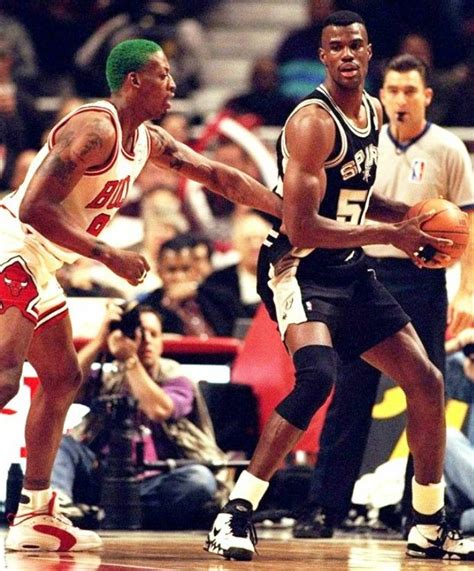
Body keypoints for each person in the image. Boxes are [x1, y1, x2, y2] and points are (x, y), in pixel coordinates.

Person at [205, 11, 474, 562]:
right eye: (337, 47)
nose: (348, 55)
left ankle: (428, 524)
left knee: (426, 381)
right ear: (323, 56)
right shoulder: (312, 122)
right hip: (298, 266)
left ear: (369, 52)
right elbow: (302, 226)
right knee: (318, 378)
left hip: (348, 267)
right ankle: (235, 513)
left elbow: (355, 197)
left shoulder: (371, 111)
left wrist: (411, 218)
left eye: (356, 45)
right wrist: (394, 235)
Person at [0, 38, 281, 552]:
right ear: (134, 81)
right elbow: (34, 208)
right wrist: (109, 255)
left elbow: (217, 176)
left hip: (42, 261)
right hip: (14, 246)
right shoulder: (96, 128)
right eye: (163, 74)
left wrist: (289, 211)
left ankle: (34, 513)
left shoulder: (146, 140)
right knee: (4, 380)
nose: (173, 84)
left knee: (63, 378)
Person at [293, 53, 474, 540]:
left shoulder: (449, 148)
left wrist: (467, 291)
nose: (400, 99)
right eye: (392, 90)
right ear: (382, 95)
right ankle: (324, 507)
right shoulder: (364, 139)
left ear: (426, 96)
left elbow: (468, 222)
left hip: (423, 277)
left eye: (409, 91)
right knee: (349, 391)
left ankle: (420, 511)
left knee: (427, 391)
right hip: (364, 271)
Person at [51, 303, 221, 530]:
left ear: (162, 341)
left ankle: (103, 513)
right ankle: (61, 507)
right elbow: (62, 386)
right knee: (62, 444)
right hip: (102, 477)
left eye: (154, 334)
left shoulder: (176, 377)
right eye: (139, 333)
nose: (147, 340)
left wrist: (130, 360)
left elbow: (158, 410)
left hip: (155, 480)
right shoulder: (109, 377)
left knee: (199, 480)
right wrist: (100, 341)